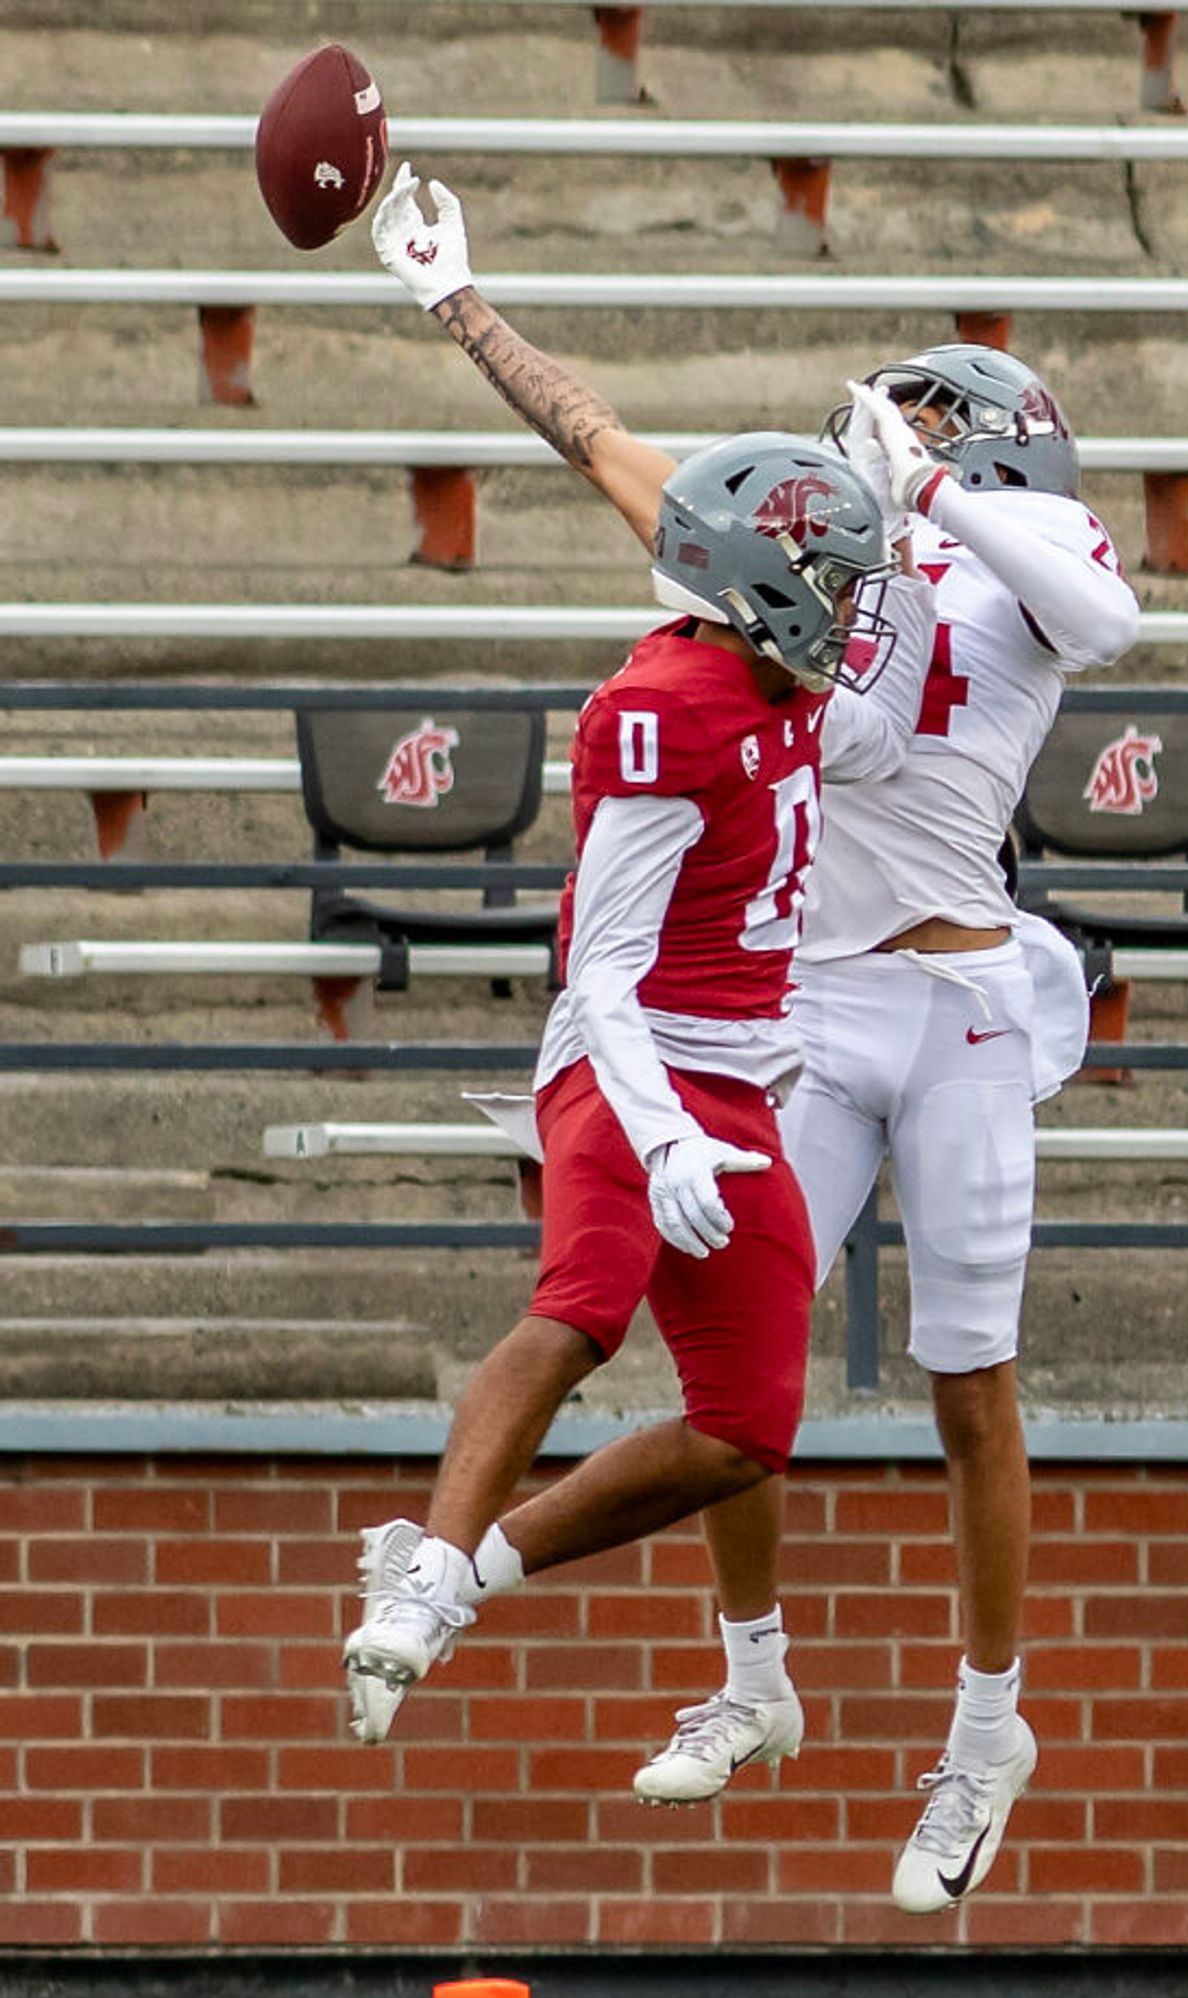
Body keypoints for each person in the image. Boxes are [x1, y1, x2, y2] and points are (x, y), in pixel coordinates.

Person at [368, 167, 1140, 1910]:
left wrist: (933, 483)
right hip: (807, 1006)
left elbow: (1107, 622)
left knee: (967, 1388)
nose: (884, 432)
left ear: (994, 440)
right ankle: (752, 1672)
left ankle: (985, 1733)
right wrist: (464, 312)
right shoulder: (830, 548)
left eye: (930, 417)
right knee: (742, 1366)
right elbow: (616, 460)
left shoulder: (1028, 552)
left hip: (953, 1007)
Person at [335, 426, 893, 1742]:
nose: (852, 606)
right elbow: (603, 978)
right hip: (629, 1060)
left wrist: (904, 485)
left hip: (744, 1082)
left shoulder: (781, 681)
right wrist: (662, 1138)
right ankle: (424, 1579)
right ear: (764, 582)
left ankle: (466, 1572)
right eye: (836, 579)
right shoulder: (664, 711)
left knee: (747, 1429)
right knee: (585, 1303)